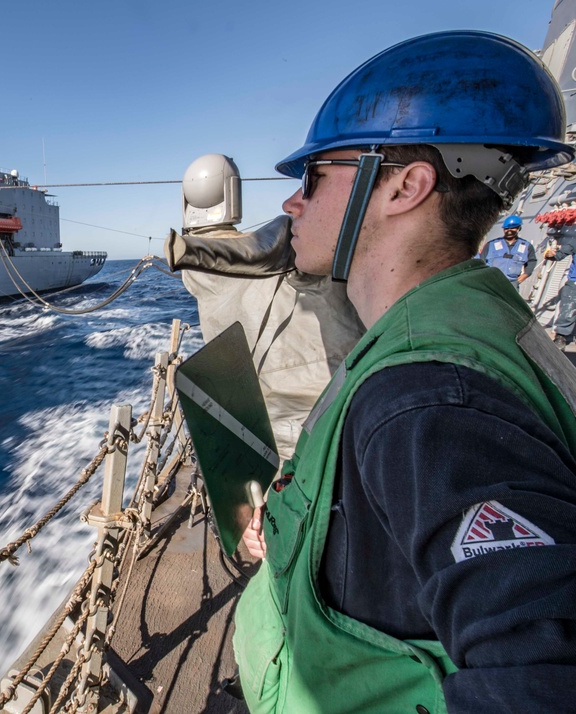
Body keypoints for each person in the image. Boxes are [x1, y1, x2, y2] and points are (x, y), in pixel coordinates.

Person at [233, 31, 576, 713]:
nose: (290, 204)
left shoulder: (425, 396)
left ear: (403, 187)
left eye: (312, 179)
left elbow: (541, 663)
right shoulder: (472, 317)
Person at [478, 215, 536, 288]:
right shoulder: (491, 244)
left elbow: (532, 261)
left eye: (512, 228)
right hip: (491, 282)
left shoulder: (526, 246)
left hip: (511, 283)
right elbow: (481, 261)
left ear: (519, 228)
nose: (509, 230)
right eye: (506, 228)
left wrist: (525, 275)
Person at [543, 231, 576, 349]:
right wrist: (549, 254)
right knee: (568, 311)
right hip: (574, 283)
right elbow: (559, 255)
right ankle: (560, 338)